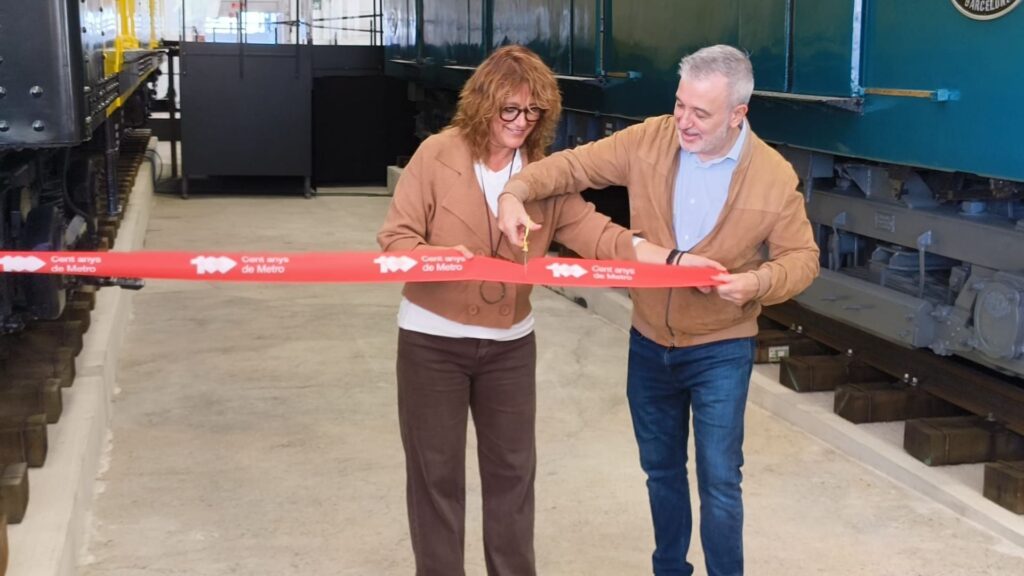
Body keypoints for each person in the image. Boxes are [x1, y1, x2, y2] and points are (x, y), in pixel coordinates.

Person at [377, 45, 706, 576]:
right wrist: (438, 258)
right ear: (483, 104)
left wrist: (672, 260)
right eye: (509, 109)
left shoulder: (543, 176)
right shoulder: (436, 156)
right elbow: (395, 240)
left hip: (509, 347)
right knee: (435, 475)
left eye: (532, 113)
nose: (520, 123)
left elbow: (600, 234)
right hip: (431, 342)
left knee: (512, 474)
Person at [496, 45, 820, 576]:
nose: (683, 122)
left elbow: (803, 259)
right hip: (648, 342)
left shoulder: (773, 177)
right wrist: (515, 191)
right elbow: (571, 167)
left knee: (719, 479)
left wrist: (756, 282)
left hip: (720, 348)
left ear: (738, 114)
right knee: (661, 471)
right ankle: (670, 568)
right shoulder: (648, 139)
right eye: (679, 105)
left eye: (700, 113)